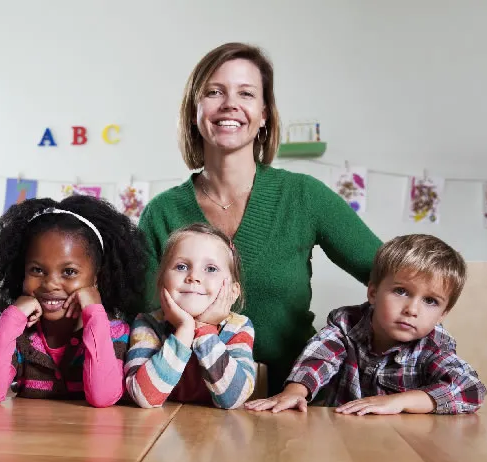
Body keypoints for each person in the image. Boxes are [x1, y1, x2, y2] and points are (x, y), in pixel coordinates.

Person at [138, 42, 382, 396]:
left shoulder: (303, 196)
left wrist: (353, 345)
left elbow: (393, 277)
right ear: (195, 111)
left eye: (246, 93)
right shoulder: (161, 212)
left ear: (264, 113)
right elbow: (140, 317)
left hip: (295, 402)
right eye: (214, 92)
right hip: (184, 406)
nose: (230, 104)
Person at [245, 234, 486, 415]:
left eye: (430, 301)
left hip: (407, 447)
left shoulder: (433, 346)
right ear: (373, 292)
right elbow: (319, 357)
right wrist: (296, 391)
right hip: (344, 440)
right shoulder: (346, 325)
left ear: (443, 314)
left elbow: (471, 389)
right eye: (401, 291)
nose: (412, 310)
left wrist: (400, 402)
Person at [0, 195, 147, 407]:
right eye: (37, 270)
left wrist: (94, 312)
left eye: (69, 272)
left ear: (97, 278)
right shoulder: (19, 333)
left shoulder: (114, 332)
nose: (51, 284)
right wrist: (12, 317)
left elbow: (103, 397)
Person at [125, 223, 256, 409]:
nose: (194, 276)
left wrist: (204, 329)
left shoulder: (238, 327)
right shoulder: (148, 324)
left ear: (233, 291)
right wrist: (185, 330)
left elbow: (233, 399)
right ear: (162, 282)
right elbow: (144, 396)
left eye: (211, 269)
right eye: (181, 266)